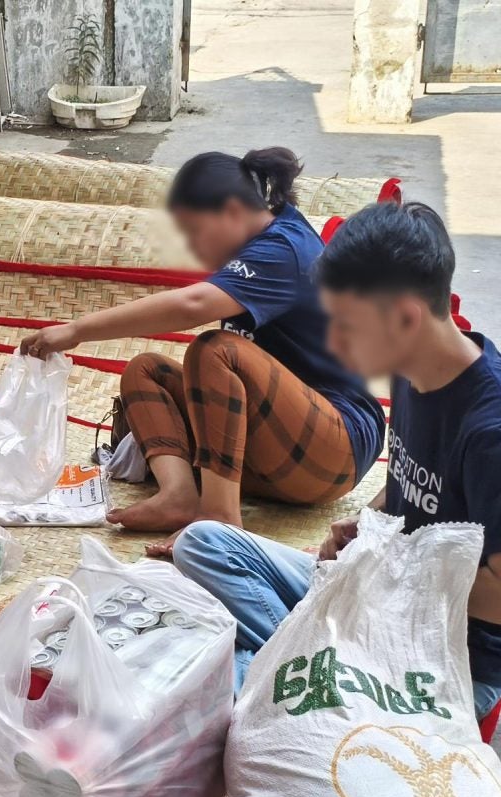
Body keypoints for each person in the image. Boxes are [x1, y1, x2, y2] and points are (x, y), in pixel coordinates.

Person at [170, 202, 501, 719]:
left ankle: (289, 662)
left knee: (231, 695)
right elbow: (413, 481)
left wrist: (389, 565)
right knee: (203, 543)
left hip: (446, 655)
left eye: (346, 326)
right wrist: (364, 524)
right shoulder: (411, 369)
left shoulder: (490, 432)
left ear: (406, 317)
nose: (335, 344)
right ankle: (303, 658)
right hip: (378, 598)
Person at [20, 147, 385, 535]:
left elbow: (193, 304)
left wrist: (76, 330)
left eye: (195, 232)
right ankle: (178, 495)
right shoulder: (259, 245)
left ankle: (221, 517)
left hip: (335, 448)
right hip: (275, 449)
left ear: (231, 211)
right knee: (145, 371)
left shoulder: (285, 248)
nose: (193, 248)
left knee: (215, 351)